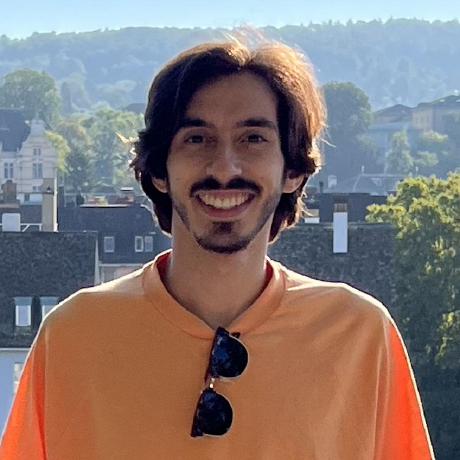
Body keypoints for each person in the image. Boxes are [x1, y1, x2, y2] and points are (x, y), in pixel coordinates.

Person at [0, 40, 434, 459]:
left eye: (253, 138)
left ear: (293, 170)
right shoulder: (74, 339)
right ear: (158, 170)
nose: (225, 167)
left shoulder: (359, 337)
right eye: (197, 139)